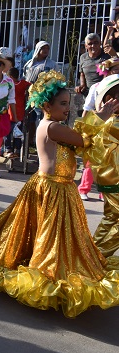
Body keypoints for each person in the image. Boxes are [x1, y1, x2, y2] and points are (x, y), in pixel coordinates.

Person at [0, 71, 119, 318]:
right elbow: (83, 141)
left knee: (49, 234)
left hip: (56, 187)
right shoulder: (52, 126)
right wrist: (101, 117)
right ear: (46, 105)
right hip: (53, 189)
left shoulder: (55, 125)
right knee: (51, 236)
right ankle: (45, 276)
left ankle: (48, 270)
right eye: (63, 104)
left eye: (69, 104)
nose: (68, 108)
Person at [84, 74, 119, 257]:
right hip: (114, 178)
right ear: (109, 100)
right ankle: (97, 256)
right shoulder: (113, 123)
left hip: (109, 177)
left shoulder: (106, 121)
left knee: (111, 217)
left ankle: (91, 253)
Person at [78, 58, 119, 200]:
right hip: (99, 125)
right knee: (92, 160)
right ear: (107, 71)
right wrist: (85, 126)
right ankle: (84, 188)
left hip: (114, 128)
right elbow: (88, 108)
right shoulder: (96, 87)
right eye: (116, 70)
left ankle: (104, 191)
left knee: (109, 161)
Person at [4, 67, 31, 158]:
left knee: (7, 132)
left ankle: (8, 149)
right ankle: (17, 150)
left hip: (10, 113)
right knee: (17, 133)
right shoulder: (23, 83)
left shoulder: (8, 85)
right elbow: (32, 85)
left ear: (11, 77)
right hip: (20, 114)